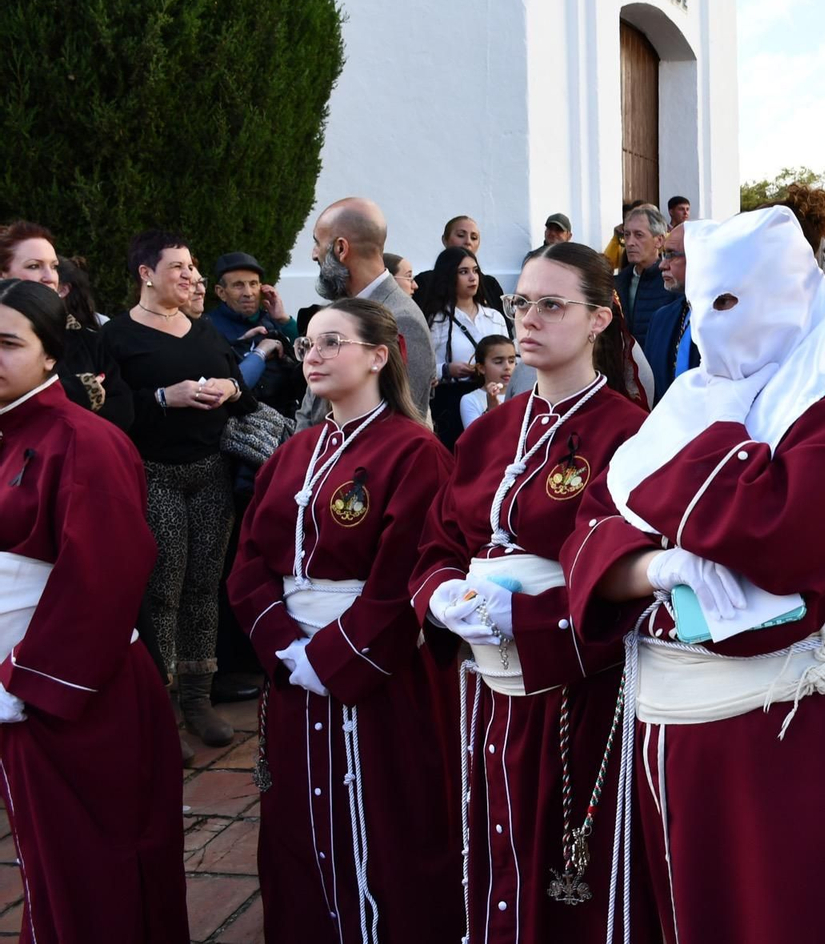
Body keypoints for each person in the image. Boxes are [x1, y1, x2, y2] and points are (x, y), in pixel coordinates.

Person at [561, 205, 825, 944]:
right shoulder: (696, 397)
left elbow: (781, 539)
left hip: (814, 736)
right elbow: (593, 529)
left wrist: (706, 441)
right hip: (687, 737)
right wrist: (659, 566)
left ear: (796, 293)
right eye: (699, 305)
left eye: (731, 303)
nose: (708, 328)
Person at [411, 242, 654, 944]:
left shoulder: (629, 433)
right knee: (494, 840)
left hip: (575, 684)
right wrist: (439, 596)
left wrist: (527, 614)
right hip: (488, 683)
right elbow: (438, 543)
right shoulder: (487, 432)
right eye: (522, 302)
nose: (529, 318)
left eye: (553, 304)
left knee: (570, 866)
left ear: (600, 318)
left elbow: (625, 570)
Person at [228, 298, 461, 943]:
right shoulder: (294, 449)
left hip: (380, 674)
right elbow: (248, 560)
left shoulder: (416, 453)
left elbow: (405, 573)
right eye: (307, 344)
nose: (314, 355)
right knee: (300, 819)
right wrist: (284, 647)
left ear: (378, 356)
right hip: (296, 670)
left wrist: (333, 658)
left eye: (332, 342)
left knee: (387, 817)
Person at [0, 279, 189, 942]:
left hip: (73, 689)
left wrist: (32, 681)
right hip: (19, 681)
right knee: (47, 859)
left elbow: (105, 575)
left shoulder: (86, 440)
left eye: (6, 343)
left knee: (95, 864)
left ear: (51, 354)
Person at [101, 230, 256, 751]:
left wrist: (230, 389)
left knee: (203, 585)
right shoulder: (118, 337)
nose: (191, 275)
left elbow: (242, 391)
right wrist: (166, 397)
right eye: (178, 267)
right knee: (162, 588)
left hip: (209, 470)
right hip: (154, 472)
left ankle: (197, 699)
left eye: (192, 266)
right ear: (146, 274)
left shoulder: (205, 329)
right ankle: (160, 707)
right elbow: (111, 412)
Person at [298, 197, 435, 430]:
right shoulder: (338, 310)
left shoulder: (401, 320)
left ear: (341, 249)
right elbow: (310, 408)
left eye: (317, 243)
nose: (313, 254)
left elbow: (400, 426)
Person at [0, 221, 132, 427]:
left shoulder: (88, 341)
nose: (49, 277)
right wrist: (72, 393)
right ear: (3, 275)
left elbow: (123, 413)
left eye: (53, 267)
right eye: (34, 266)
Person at [422, 245, 511, 450]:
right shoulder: (437, 320)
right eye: (463, 272)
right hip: (452, 399)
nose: (473, 277)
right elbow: (424, 368)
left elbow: (509, 356)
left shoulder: (494, 317)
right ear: (448, 276)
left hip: (491, 396)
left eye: (475, 270)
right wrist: (447, 369)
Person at [207, 251, 304, 418]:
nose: (248, 292)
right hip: (243, 425)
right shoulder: (209, 327)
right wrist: (258, 352)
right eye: (238, 285)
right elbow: (229, 385)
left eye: (253, 284)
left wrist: (284, 320)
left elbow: (308, 352)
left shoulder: (271, 319)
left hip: (288, 418)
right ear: (221, 292)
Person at [642, 221, 697, 400]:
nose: (661, 265)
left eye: (671, 255)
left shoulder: (734, 320)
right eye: (663, 255)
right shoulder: (662, 318)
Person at [614, 203, 679, 348]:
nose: (630, 243)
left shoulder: (673, 284)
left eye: (639, 235)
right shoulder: (618, 283)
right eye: (627, 234)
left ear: (659, 240)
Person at [413, 215, 507, 307]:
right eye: (461, 235)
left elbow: (505, 321)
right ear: (445, 240)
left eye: (474, 237)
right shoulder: (425, 282)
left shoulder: (489, 284)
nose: (468, 242)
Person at [459, 332, 517, 432]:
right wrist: (491, 410)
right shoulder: (471, 400)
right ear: (481, 368)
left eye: (511, 361)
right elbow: (473, 439)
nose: (507, 367)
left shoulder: (523, 393)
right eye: (498, 362)